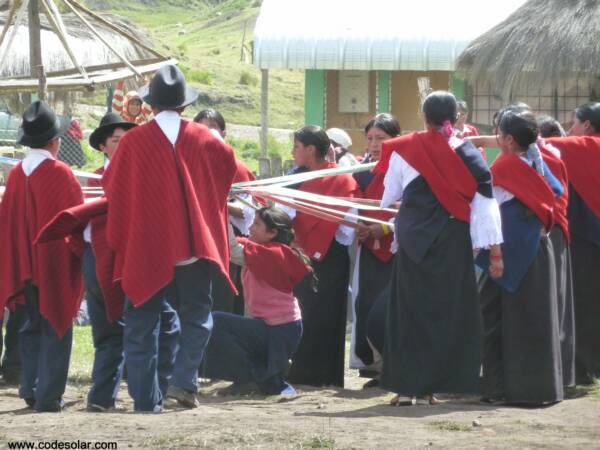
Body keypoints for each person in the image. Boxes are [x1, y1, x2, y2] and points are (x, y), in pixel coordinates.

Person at [103, 65, 237, 412]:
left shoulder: (132, 141)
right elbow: (227, 172)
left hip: (148, 244)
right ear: (184, 105)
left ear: (151, 104)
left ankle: (146, 400)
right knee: (198, 314)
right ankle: (183, 381)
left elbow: (113, 188)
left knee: (141, 322)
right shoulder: (208, 140)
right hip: (193, 242)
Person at [376, 91, 503, 405]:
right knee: (445, 312)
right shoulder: (469, 154)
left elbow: (389, 192)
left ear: (423, 117)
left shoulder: (404, 148)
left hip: (414, 241)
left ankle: (407, 388)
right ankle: (433, 386)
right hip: (451, 241)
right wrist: (491, 249)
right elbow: (485, 204)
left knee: (410, 311)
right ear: (456, 117)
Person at [0, 101, 84, 411]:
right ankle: (49, 396)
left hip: (26, 265)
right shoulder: (60, 173)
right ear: (54, 141)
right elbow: (75, 220)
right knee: (57, 326)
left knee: (31, 325)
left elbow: (9, 223)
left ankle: (30, 387)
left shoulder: (18, 174)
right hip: (54, 264)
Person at [476, 109, 564, 405]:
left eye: (499, 134)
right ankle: (539, 390)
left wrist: (495, 255)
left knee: (491, 319)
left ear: (510, 139)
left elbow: (490, 216)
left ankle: (496, 388)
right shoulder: (537, 160)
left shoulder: (504, 168)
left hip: (507, 254)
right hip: (539, 250)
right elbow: (557, 189)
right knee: (535, 321)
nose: (497, 138)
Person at [203, 207, 313, 396]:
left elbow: (231, 249)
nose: (251, 228)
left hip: (279, 330)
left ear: (272, 233)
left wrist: (220, 208)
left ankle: (255, 376)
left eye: (256, 224)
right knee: (221, 325)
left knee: (216, 322)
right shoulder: (267, 251)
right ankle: (250, 377)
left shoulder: (274, 255)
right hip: (274, 327)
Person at [283, 125, 360, 388]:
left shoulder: (342, 179)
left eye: (296, 147)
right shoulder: (294, 179)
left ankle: (327, 375)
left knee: (328, 315)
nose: (293, 152)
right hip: (301, 255)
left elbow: (348, 225)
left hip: (331, 255)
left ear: (310, 150)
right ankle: (303, 372)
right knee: (302, 312)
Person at [545, 102, 600, 384]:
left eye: (573, 123)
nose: (570, 128)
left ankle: (583, 368)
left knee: (584, 302)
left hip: (587, 236)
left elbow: (537, 144)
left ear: (587, 126)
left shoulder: (582, 146)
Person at [350, 114, 401, 387]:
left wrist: (381, 229)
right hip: (368, 249)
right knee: (366, 306)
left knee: (390, 311)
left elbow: (408, 207)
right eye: (370, 138)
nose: (374, 144)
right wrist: (358, 224)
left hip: (395, 251)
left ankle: (396, 368)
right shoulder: (361, 169)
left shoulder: (406, 167)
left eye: (380, 138)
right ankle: (377, 368)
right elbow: (354, 201)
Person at [193, 109, 255, 315]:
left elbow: (248, 211)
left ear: (223, 132)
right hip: (192, 243)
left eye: (212, 127)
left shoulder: (237, 168)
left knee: (224, 301)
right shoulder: (187, 165)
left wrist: (215, 204)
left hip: (225, 243)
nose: (207, 133)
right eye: (201, 128)